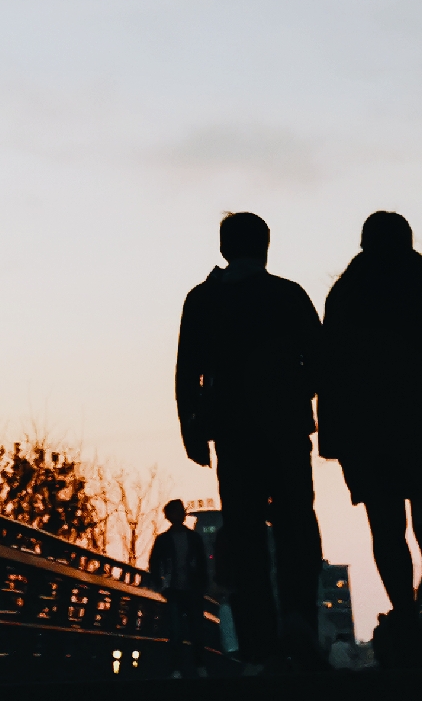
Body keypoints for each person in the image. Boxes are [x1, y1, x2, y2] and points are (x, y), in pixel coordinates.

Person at [318, 210, 422, 666]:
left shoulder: (347, 292)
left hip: (370, 436)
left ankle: (406, 621)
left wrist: (335, 439)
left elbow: (330, 366)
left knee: (386, 530)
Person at [174, 211, 323, 671]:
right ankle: (299, 619)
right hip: (285, 428)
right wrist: (298, 395)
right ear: (265, 247)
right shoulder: (288, 294)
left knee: (244, 531)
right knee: (297, 522)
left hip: (232, 433)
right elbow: (319, 360)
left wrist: (192, 427)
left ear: (223, 248)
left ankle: (258, 639)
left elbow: (187, 371)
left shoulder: (202, 300)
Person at [147, 499, 210, 676]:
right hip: (176, 590)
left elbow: (203, 564)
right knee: (179, 631)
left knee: (191, 630)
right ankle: (189, 667)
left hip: (188, 590)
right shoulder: (175, 539)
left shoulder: (173, 539)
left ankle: (190, 666)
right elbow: (154, 563)